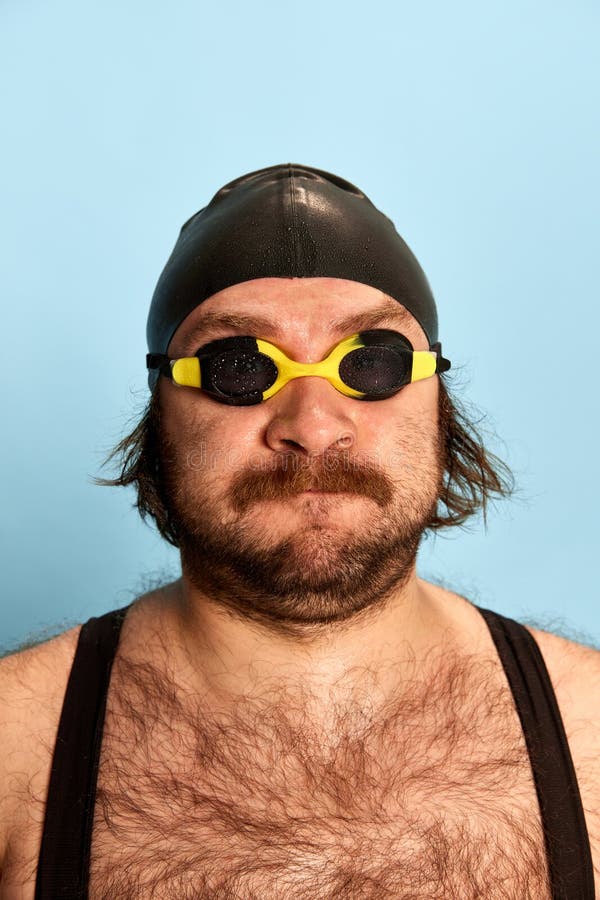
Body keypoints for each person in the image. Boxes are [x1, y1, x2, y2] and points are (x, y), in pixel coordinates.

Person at [0, 163, 597, 898]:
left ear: (439, 401)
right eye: (240, 368)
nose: (313, 427)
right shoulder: (11, 749)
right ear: (160, 418)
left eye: (370, 363)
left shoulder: (592, 733)